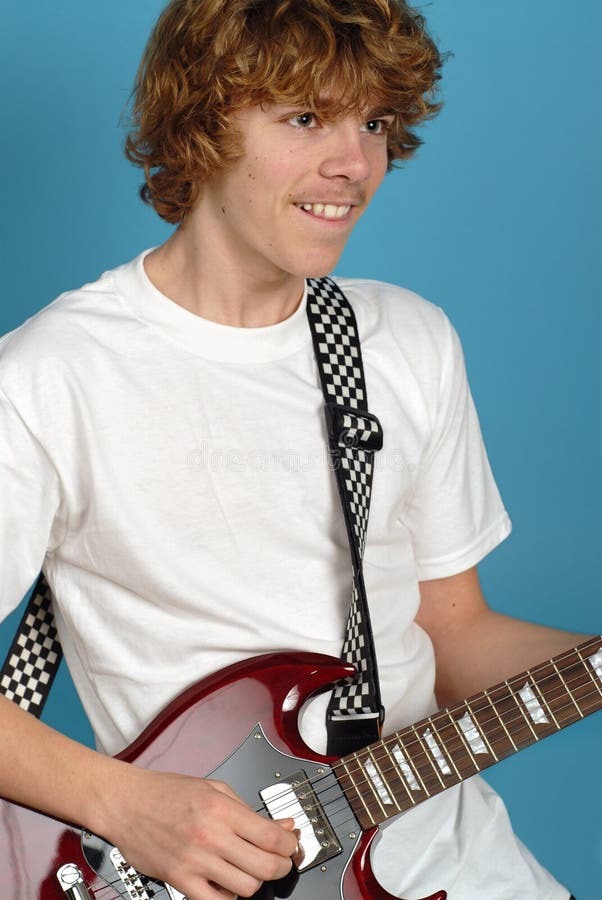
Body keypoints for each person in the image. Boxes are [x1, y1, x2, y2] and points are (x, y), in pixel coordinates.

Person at [0, 1, 589, 897]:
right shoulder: (54, 374)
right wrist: (127, 807)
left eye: (376, 122)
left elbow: (453, 630)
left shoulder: (406, 341)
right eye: (306, 117)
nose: (354, 164)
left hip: (459, 865)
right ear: (202, 125)